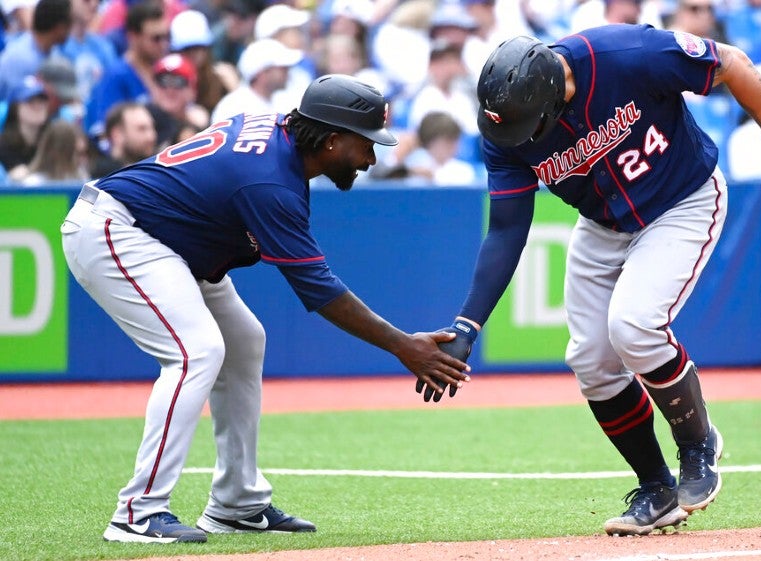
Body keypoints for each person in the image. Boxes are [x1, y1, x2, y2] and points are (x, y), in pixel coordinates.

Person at [430, 28, 761, 537]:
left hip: (682, 200)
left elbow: (731, 63)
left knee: (634, 325)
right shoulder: (507, 125)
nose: (524, 138)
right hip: (605, 224)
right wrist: (468, 324)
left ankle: (697, 444)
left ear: (555, 89)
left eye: (529, 126)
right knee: (591, 361)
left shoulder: (626, 55)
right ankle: (656, 489)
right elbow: (509, 229)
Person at [60, 74, 470, 544]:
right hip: (118, 230)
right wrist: (403, 346)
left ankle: (236, 503)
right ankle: (138, 511)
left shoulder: (283, 141)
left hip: (167, 241)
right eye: (365, 144)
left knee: (244, 342)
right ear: (332, 140)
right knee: (197, 353)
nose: (372, 157)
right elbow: (318, 289)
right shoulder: (270, 180)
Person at [83, 0, 169, 138]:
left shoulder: (165, 70)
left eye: (166, 37)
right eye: (156, 38)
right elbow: (104, 130)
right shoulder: (116, 75)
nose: (163, 44)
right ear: (133, 37)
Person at [210, 38, 301, 123]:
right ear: (262, 73)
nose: (287, 72)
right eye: (282, 68)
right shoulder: (233, 106)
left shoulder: (283, 100)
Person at [0, 0, 73, 100]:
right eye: (68, 26)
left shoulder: (54, 53)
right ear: (59, 28)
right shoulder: (18, 58)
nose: (70, 31)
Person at [9, 118, 89, 184]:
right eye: (78, 154)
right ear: (58, 153)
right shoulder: (32, 184)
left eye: (85, 153)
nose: (84, 160)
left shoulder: (84, 179)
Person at [88, 100, 157, 177]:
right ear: (117, 134)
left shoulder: (157, 171)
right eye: (141, 129)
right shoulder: (101, 180)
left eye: (152, 128)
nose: (151, 136)